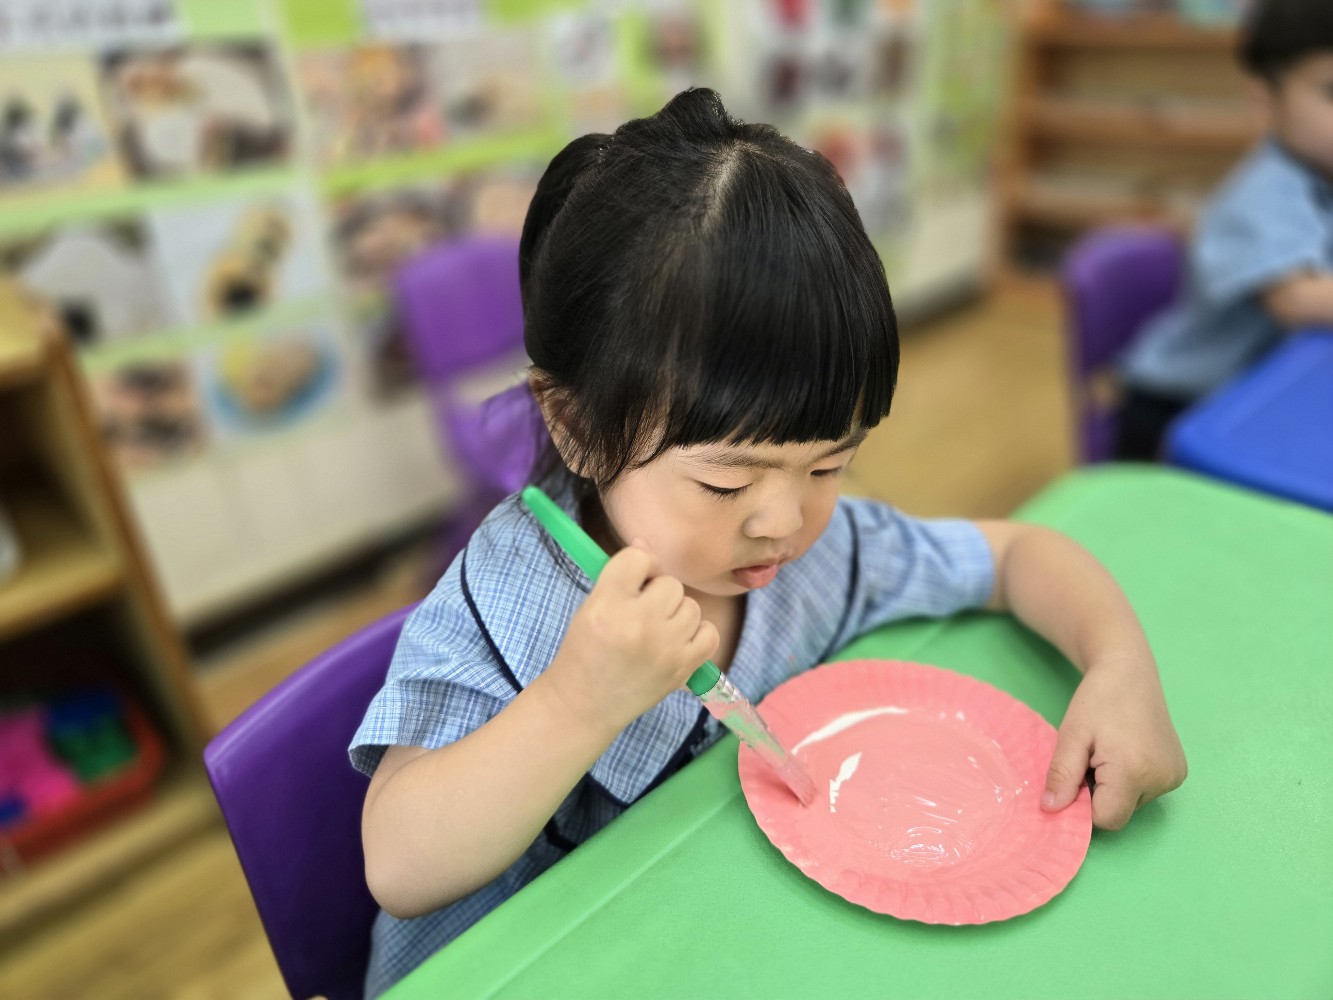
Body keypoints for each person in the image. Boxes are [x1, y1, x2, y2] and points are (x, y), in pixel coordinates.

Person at [351, 89, 1187, 996]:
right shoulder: (508, 596)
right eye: (726, 482)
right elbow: (400, 863)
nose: (783, 522)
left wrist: (1118, 667)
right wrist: (575, 703)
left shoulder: (821, 558)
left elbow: (1016, 556)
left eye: (829, 464)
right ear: (577, 427)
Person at [1115, 0, 1333, 459]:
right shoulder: (1264, 192)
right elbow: (1298, 300)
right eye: (1332, 92)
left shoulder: (1322, 174)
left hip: (1258, 393)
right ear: (1265, 102)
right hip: (1178, 410)